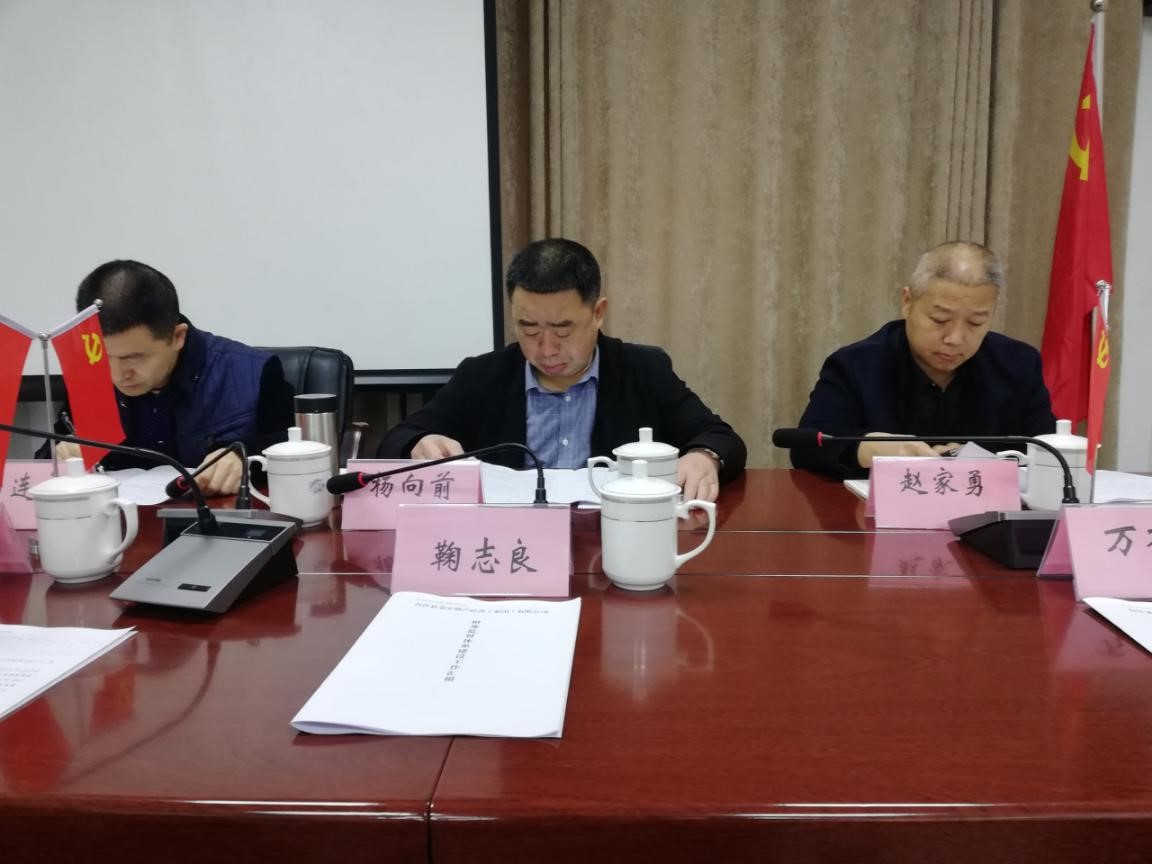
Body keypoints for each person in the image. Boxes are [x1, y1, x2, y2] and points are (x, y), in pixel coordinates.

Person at [378, 238, 746, 502]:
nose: (546, 348)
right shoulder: (482, 376)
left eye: (563, 329)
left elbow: (720, 437)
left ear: (598, 313)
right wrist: (417, 444)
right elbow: (397, 438)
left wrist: (704, 456)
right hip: (509, 544)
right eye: (529, 329)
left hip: (608, 539)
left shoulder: (643, 370)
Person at [791, 240, 1056, 479]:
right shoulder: (856, 365)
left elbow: (1049, 453)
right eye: (940, 319)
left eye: (976, 322)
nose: (955, 338)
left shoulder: (1019, 365)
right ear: (907, 302)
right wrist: (866, 449)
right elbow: (806, 448)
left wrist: (985, 462)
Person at [52, 260, 295, 495]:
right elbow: (50, 453)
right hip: (116, 517)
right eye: (104, 357)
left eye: (134, 358)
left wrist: (245, 456)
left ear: (178, 336)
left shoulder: (252, 373)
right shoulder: (89, 375)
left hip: (217, 518)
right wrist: (61, 453)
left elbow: (295, 446)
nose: (118, 375)